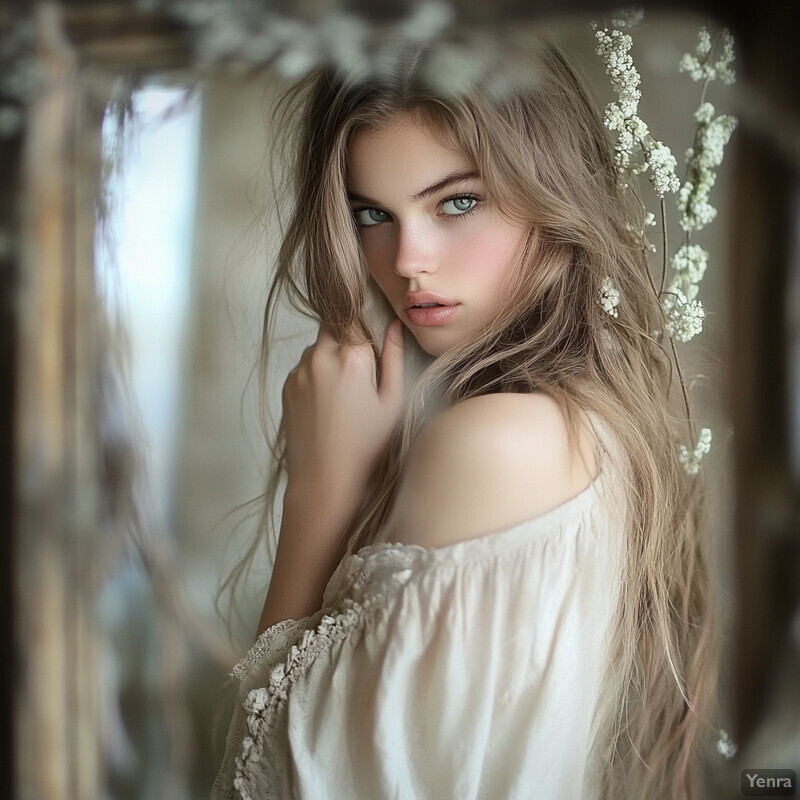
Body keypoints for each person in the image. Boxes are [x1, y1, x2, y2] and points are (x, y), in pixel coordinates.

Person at [210, 31, 719, 800]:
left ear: (553, 196)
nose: (408, 258)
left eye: (458, 202)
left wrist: (318, 498)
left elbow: (277, 784)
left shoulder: (495, 442)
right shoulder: (575, 422)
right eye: (371, 214)